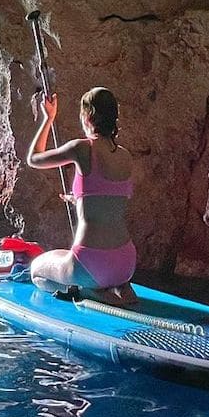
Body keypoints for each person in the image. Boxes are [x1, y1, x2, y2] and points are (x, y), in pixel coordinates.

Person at [26, 86, 137, 306]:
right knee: (60, 254)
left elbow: (34, 158)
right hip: (126, 262)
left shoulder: (82, 148)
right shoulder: (126, 156)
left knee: (37, 272)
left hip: (92, 263)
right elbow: (109, 197)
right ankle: (120, 290)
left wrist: (49, 118)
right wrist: (78, 198)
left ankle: (92, 293)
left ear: (87, 117)